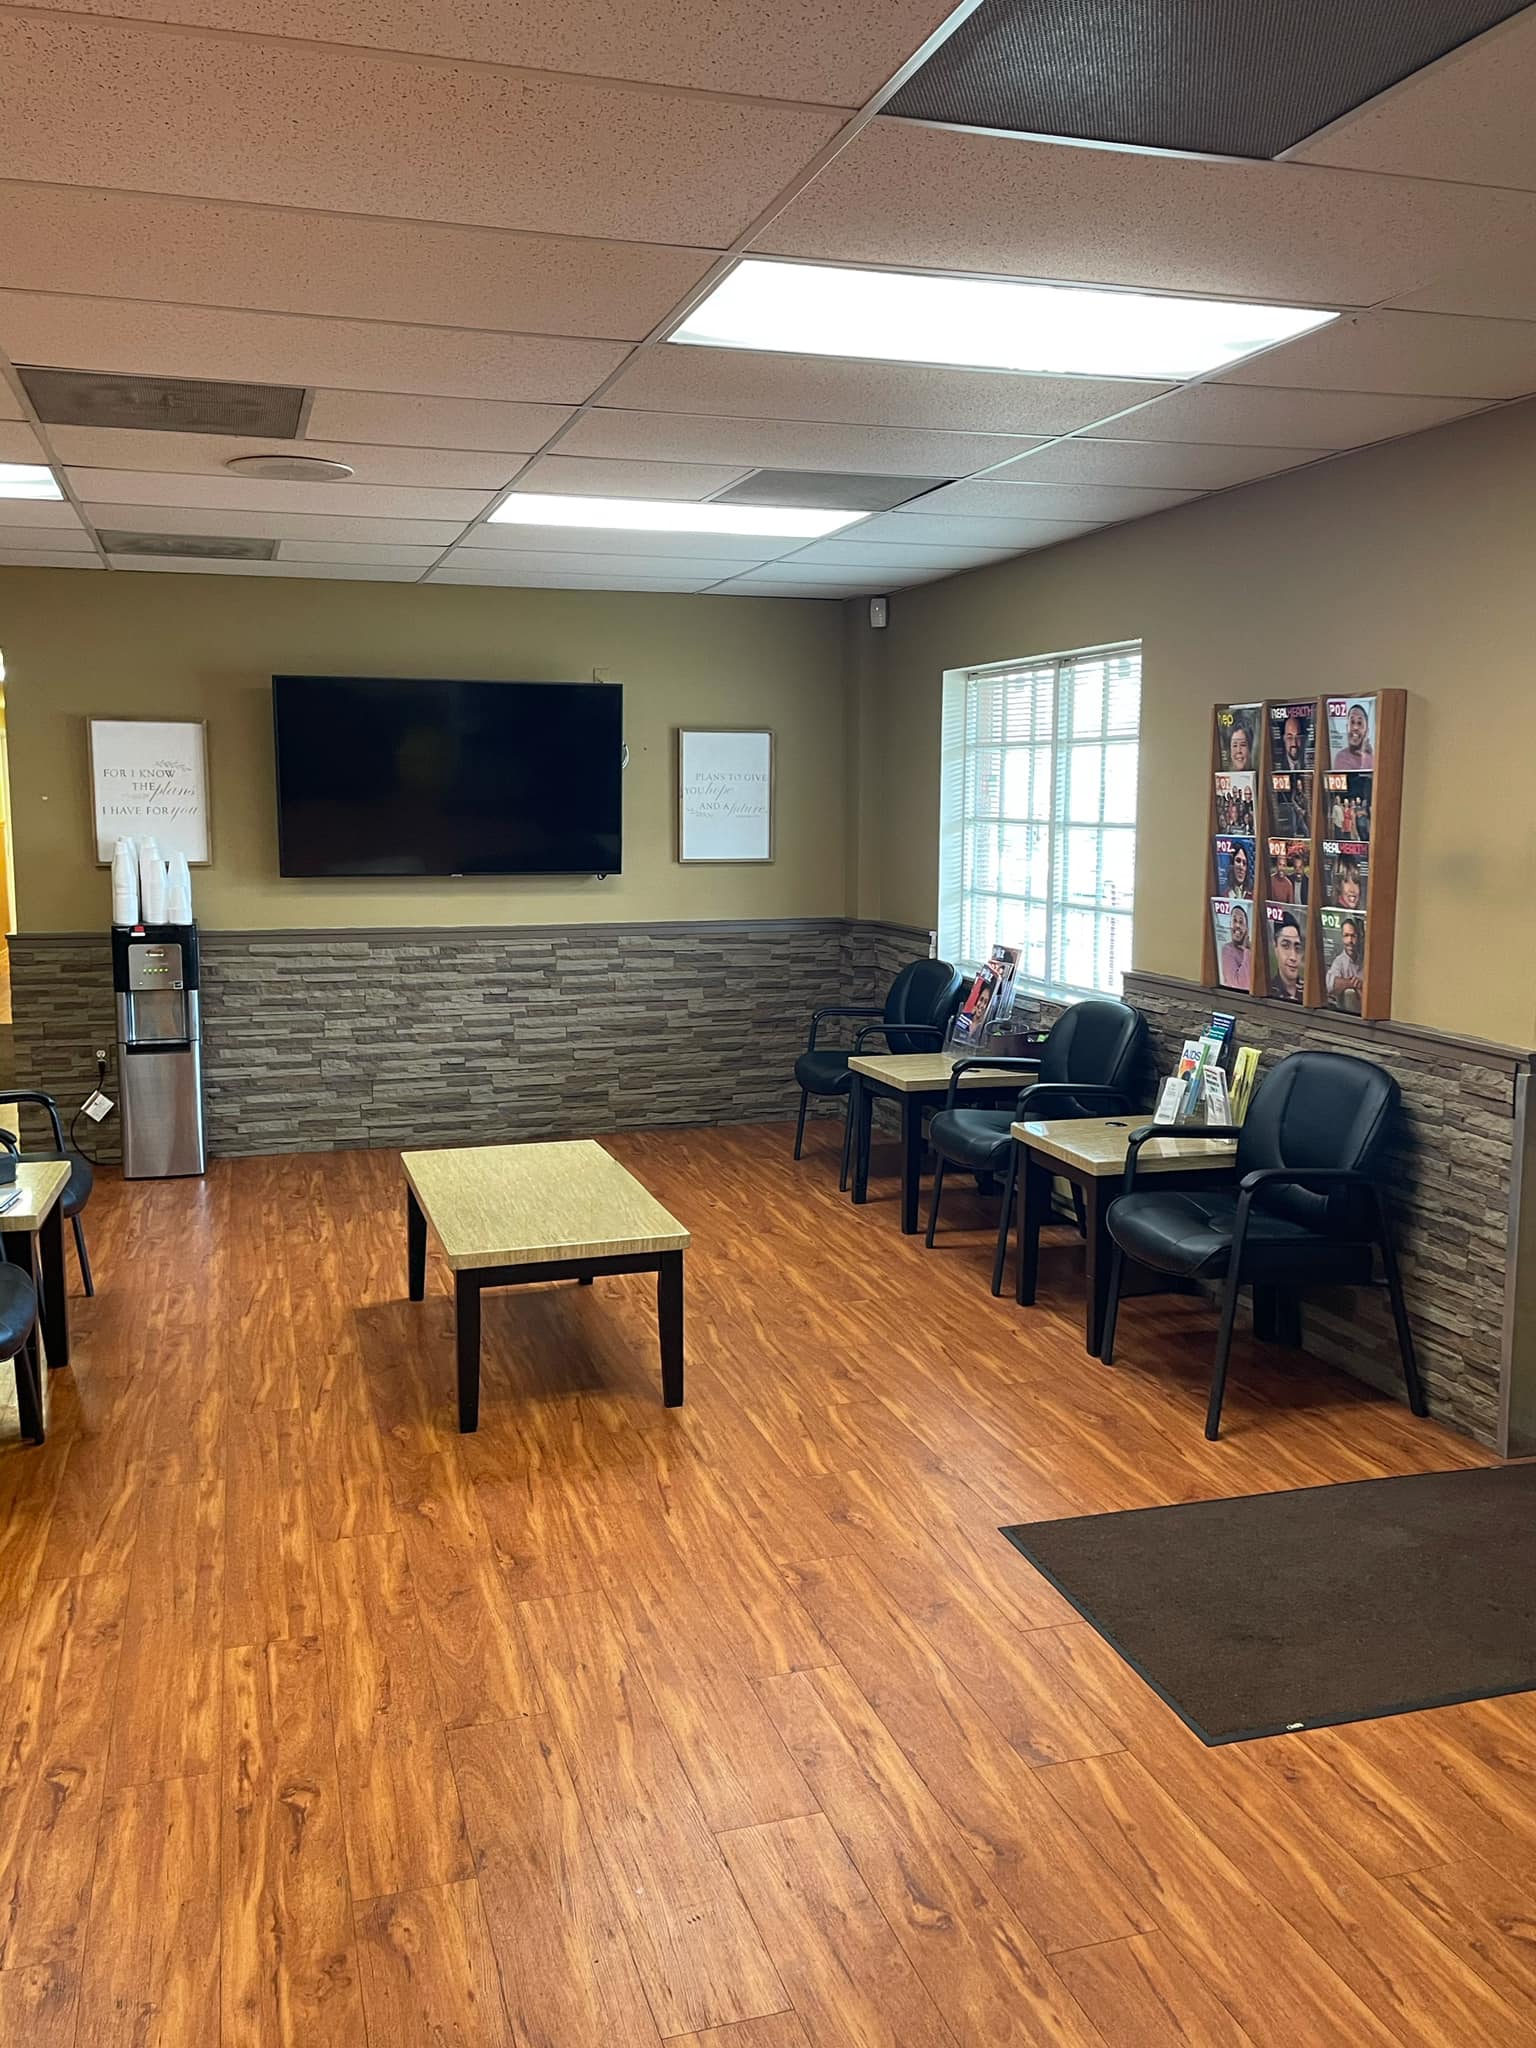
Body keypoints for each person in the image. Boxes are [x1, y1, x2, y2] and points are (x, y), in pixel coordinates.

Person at [1327, 916, 1365, 1010]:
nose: (1350, 941)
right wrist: (1355, 984)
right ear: (1342, 938)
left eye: (1353, 936)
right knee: (1349, 992)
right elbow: (1330, 985)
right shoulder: (1339, 962)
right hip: (1346, 1014)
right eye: (1346, 936)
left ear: (1360, 938)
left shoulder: (1366, 961)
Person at [1271, 910, 1304, 1001]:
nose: (1293, 957)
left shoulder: (1310, 990)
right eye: (1285, 946)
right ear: (1275, 948)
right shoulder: (1267, 990)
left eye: (1297, 948)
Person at [1219, 901, 1252, 991]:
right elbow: (1240, 985)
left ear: (1247, 928)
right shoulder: (1227, 950)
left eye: (1241, 922)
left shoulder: (1253, 949)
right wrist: (1248, 952)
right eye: (1234, 921)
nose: (1237, 925)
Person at [1333, 702, 1374, 771]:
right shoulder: (1341, 757)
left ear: (1367, 731)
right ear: (1347, 728)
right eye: (1352, 722)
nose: (1355, 727)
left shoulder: (1373, 759)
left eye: (1359, 723)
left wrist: (1366, 756)